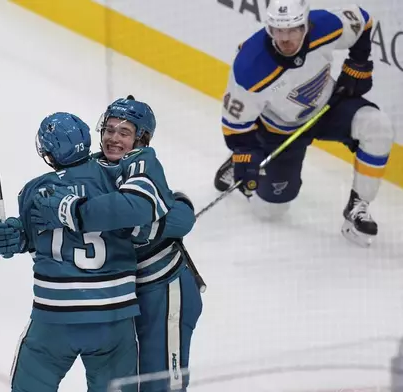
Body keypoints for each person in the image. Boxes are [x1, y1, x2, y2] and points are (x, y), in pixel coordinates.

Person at [31, 96, 202, 391]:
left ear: (141, 138)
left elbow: (166, 216)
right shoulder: (93, 166)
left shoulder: (143, 163)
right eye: (109, 130)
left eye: (124, 132)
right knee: (128, 379)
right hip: (124, 295)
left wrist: (76, 211)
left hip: (165, 288)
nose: (113, 138)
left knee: (161, 382)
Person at [213, 0, 394, 247]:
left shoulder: (325, 26)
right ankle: (238, 166)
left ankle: (357, 207)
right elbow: (235, 127)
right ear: (269, 28)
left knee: (377, 126)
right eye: (279, 30)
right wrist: (246, 154)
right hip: (279, 132)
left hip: (327, 108)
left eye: (293, 29)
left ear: (306, 25)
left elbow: (362, 20)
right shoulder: (250, 68)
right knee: (270, 212)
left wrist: (358, 63)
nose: (285, 38)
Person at [0, 112, 141, 392]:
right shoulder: (117, 179)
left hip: (55, 317)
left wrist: (11, 236)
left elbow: (29, 240)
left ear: (48, 152)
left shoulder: (35, 190)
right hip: (113, 315)